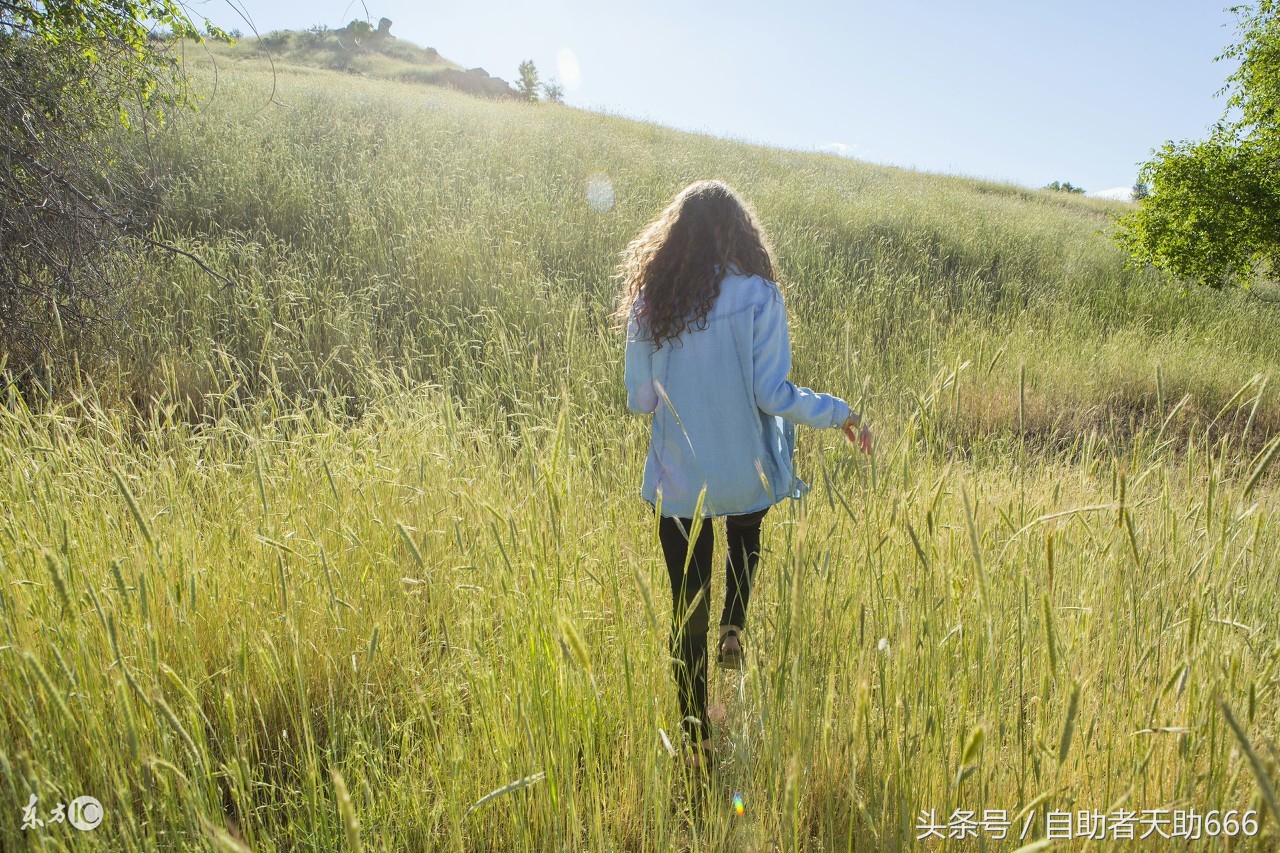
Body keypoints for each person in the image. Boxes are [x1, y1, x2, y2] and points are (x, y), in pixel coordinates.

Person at [617, 180, 871, 771]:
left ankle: (697, 741)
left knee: (687, 610)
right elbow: (772, 394)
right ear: (739, 233)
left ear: (674, 237)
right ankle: (735, 624)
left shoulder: (652, 300)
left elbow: (639, 401)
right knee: (746, 525)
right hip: (743, 472)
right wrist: (840, 413)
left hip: (680, 484)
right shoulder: (759, 295)